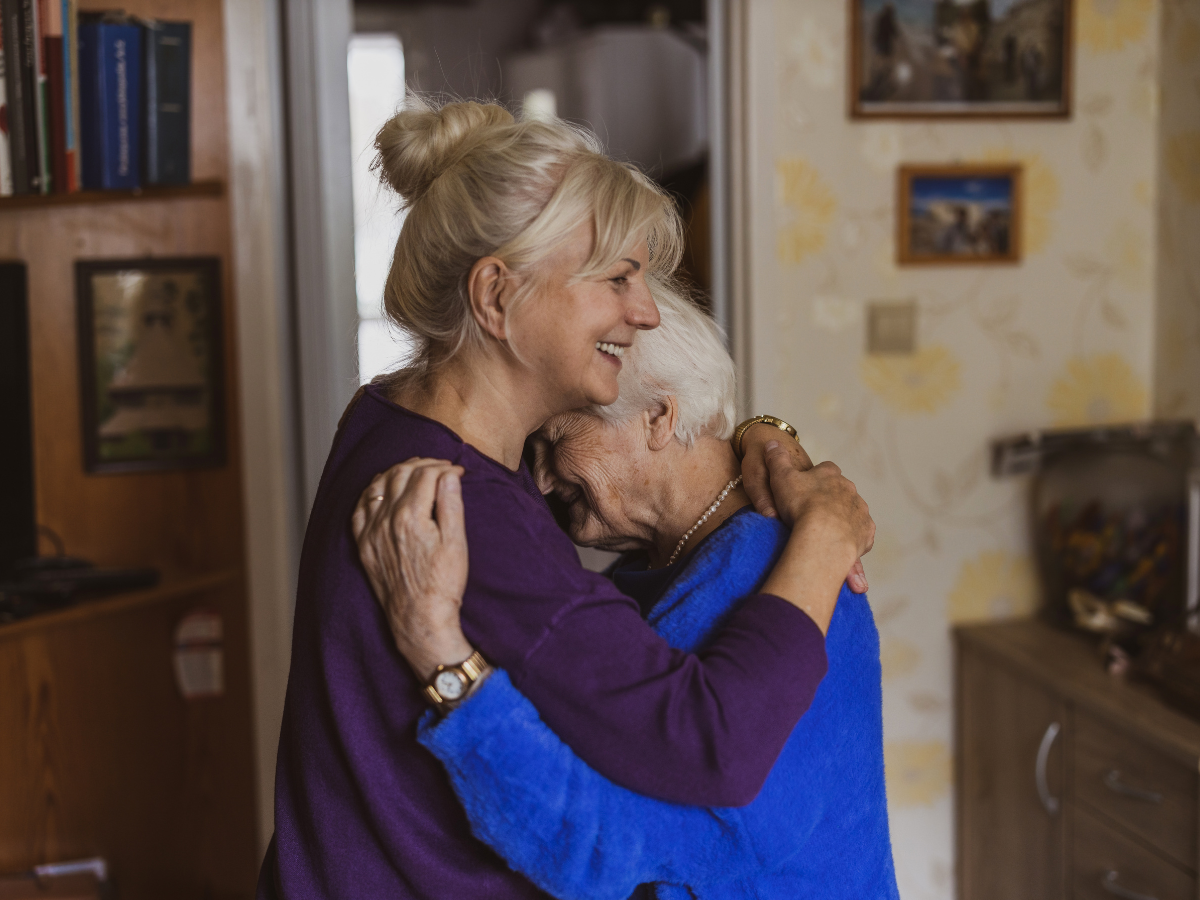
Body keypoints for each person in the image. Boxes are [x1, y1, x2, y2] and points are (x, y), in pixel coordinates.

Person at [258, 98, 873, 899]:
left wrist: (758, 431)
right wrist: (824, 534)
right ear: (496, 297)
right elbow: (710, 743)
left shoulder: (386, 414)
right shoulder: (471, 514)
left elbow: (657, 468)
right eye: (617, 278)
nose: (644, 310)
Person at [353, 289, 899, 900]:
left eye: (556, 438)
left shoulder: (784, 580)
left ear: (659, 418)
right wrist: (759, 431)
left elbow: (598, 850)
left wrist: (440, 656)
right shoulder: (658, 568)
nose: (538, 478)